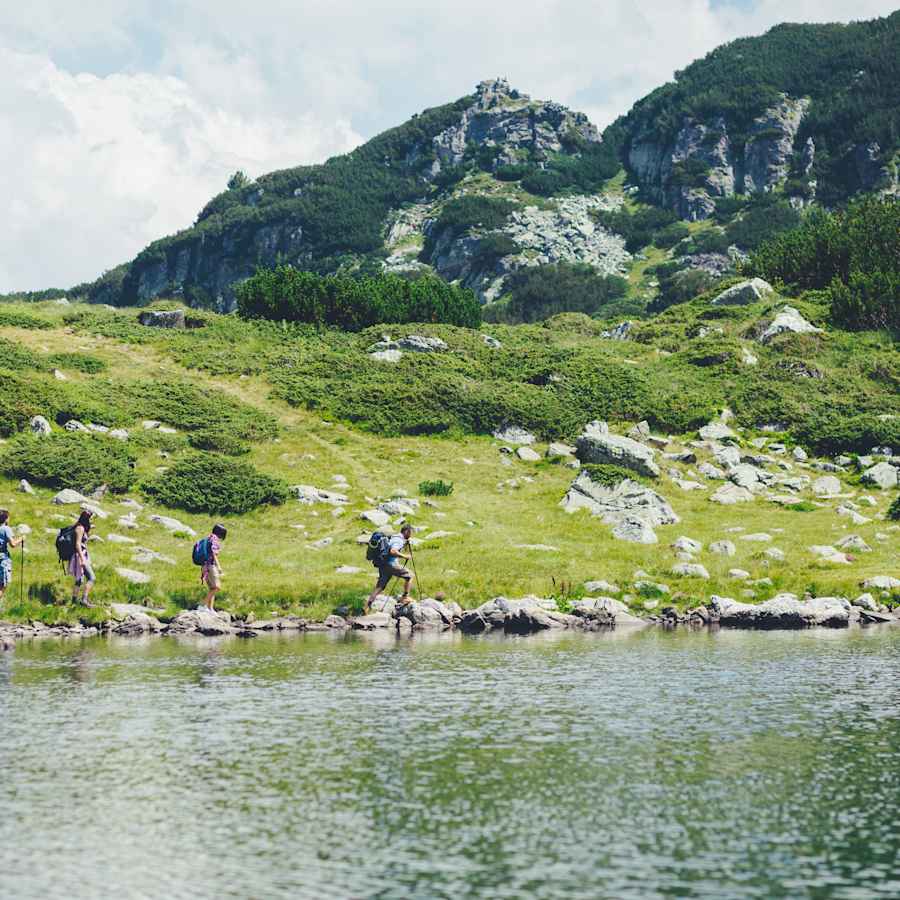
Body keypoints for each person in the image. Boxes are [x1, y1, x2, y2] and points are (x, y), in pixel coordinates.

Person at [365, 523, 414, 613]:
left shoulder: (394, 537)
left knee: (380, 586)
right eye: (410, 533)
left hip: (383, 564)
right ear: (406, 531)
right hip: (390, 564)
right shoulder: (399, 540)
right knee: (410, 576)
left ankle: (367, 606)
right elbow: (393, 551)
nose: (411, 535)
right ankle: (405, 597)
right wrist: (405, 556)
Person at [69, 509, 96, 607]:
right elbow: (77, 544)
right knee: (92, 578)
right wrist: (82, 559)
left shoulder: (80, 527)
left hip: (80, 555)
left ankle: (74, 601)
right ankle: (84, 600)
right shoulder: (80, 528)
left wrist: (90, 527)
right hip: (80, 555)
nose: (91, 520)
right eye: (91, 518)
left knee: (79, 579)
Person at [0, 509, 24, 606]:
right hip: (2, 559)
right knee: (2, 585)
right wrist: (21, 539)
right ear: (6, 519)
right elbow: (13, 544)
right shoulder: (6, 529)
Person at [201, 524, 227, 612]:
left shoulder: (208, 538)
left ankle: (210, 608)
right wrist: (219, 567)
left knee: (212, 588)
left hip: (204, 565)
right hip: (210, 566)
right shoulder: (214, 539)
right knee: (217, 587)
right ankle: (203, 605)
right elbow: (214, 554)